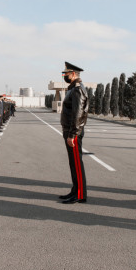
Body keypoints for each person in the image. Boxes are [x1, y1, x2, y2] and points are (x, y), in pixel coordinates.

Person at [59, 62, 89, 204]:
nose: (64, 76)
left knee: (76, 163)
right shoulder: (72, 89)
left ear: (74, 74)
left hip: (73, 133)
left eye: (66, 73)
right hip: (70, 130)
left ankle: (80, 194)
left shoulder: (78, 89)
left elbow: (78, 113)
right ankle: (75, 190)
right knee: (73, 163)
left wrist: (73, 134)